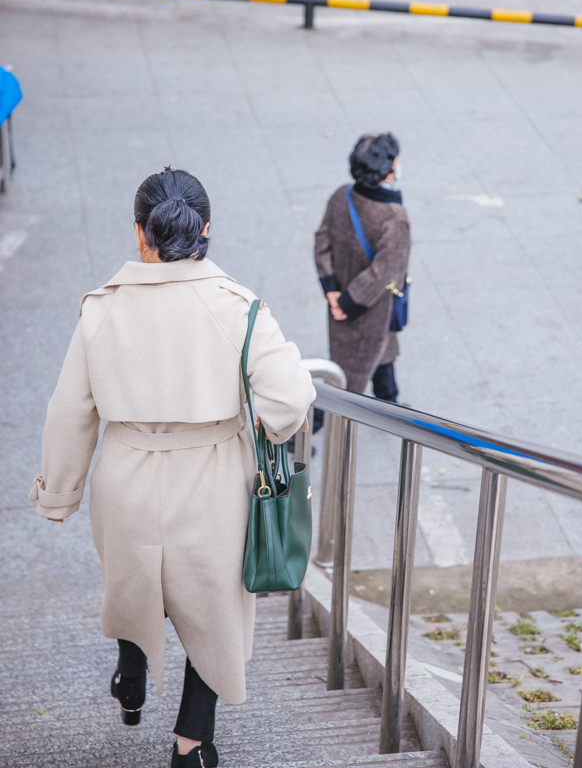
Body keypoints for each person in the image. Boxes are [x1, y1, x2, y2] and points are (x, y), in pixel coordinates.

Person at [28, 167, 316, 768]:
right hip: (211, 478)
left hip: (127, 474)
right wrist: (259, 424)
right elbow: (289, 399)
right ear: (205, 228)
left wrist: (59, 493)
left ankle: (131, 680)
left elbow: (70, 411)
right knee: (212, 609)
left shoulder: (101, 310)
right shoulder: (239, 307)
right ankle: (192, 743)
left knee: (136, 580)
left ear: (141, 235)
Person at [314, 133, 411, 400]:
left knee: (382, 352)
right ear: (387, 169)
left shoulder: (341, 195)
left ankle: (389, 400)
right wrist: (347, 304)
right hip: (369, 308)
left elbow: (322, 239)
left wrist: (332, 290)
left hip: (342, 296)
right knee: (348, 377)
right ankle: (310, 426)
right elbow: (384, 271)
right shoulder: (395, 219)